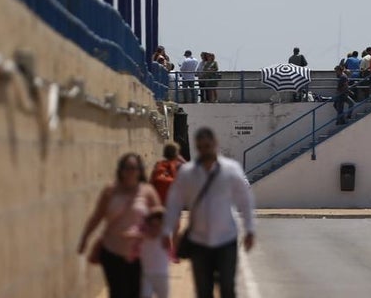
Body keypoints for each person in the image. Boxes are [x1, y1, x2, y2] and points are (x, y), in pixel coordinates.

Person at [163, 127, 256, 298]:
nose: (205, 150)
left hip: (226, 239)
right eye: (201, 147)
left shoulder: (231, 169)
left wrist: (250, 230)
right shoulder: (187, 173)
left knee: (228, 289)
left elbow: (245, 201)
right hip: (199, 242)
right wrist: (165, 231)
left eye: (208, 146)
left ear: (215, 144)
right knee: (203, 291)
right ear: (197, 147)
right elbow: (174, 203)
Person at [78, 152, 162, 298]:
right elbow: (97, 216)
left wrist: (153, 234)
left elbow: (159, 217)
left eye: (134, 168)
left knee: (137, 293)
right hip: (112, 251)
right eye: (127, 168)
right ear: (120, 170)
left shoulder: (147, 192)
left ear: (140, 170)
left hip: (140, 253)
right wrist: (84, 238)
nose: (130, 172)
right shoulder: (110, 191)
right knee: (118, 293)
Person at [140, 208, 172, 298]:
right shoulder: (143, 237)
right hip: (146, 275)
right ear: (147, 226)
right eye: (152, 226)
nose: (155, 229)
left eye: (158, 226)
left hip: (162, 275)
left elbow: (170, 245)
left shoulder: (164, 238)